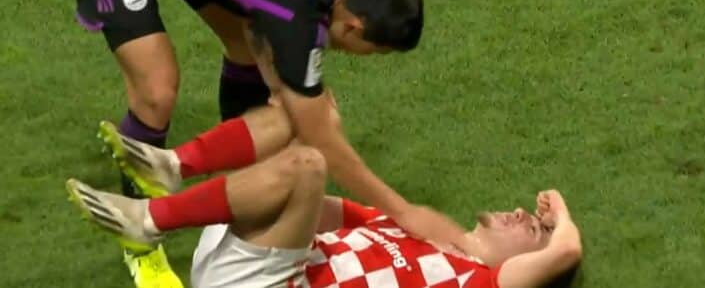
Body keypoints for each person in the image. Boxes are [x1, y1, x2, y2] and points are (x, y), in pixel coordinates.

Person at [59, 0, 441, 285]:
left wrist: (281, 86)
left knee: (245, 50)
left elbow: (259, 24)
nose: (362, 57)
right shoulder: (296, 7)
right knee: (156, 93)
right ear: (354, 28)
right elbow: (321, 137)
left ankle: (238, 190)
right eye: (373, 52)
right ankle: (139, 240)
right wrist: (403, 211)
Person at [66, 140, 582, 288]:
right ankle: (172, 175)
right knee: (289, 136)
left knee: (308, 164)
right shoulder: (414, 232)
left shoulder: (479, 282)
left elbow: (568, 251)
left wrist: (559, 211)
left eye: (535, 229)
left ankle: (151, 217)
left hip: (272, 280)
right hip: (250, 263)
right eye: (533, 215)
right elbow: (321, 211)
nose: (523, 213)